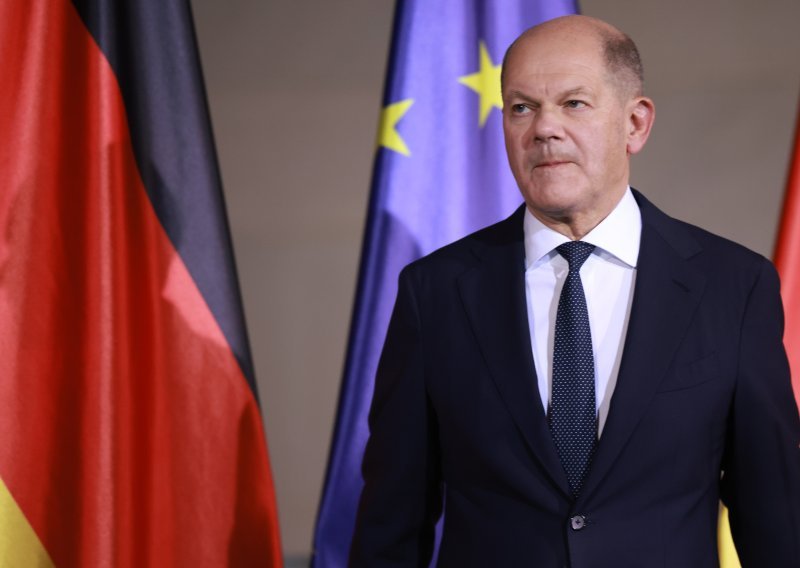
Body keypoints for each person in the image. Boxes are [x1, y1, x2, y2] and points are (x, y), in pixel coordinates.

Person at [350, 15, 800, 567]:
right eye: (521, 107)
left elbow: (775, 516)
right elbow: (391, 526)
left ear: (635, 124)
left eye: (574, 103)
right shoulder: (436, 292)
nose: (544, 128)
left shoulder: (733, 286)